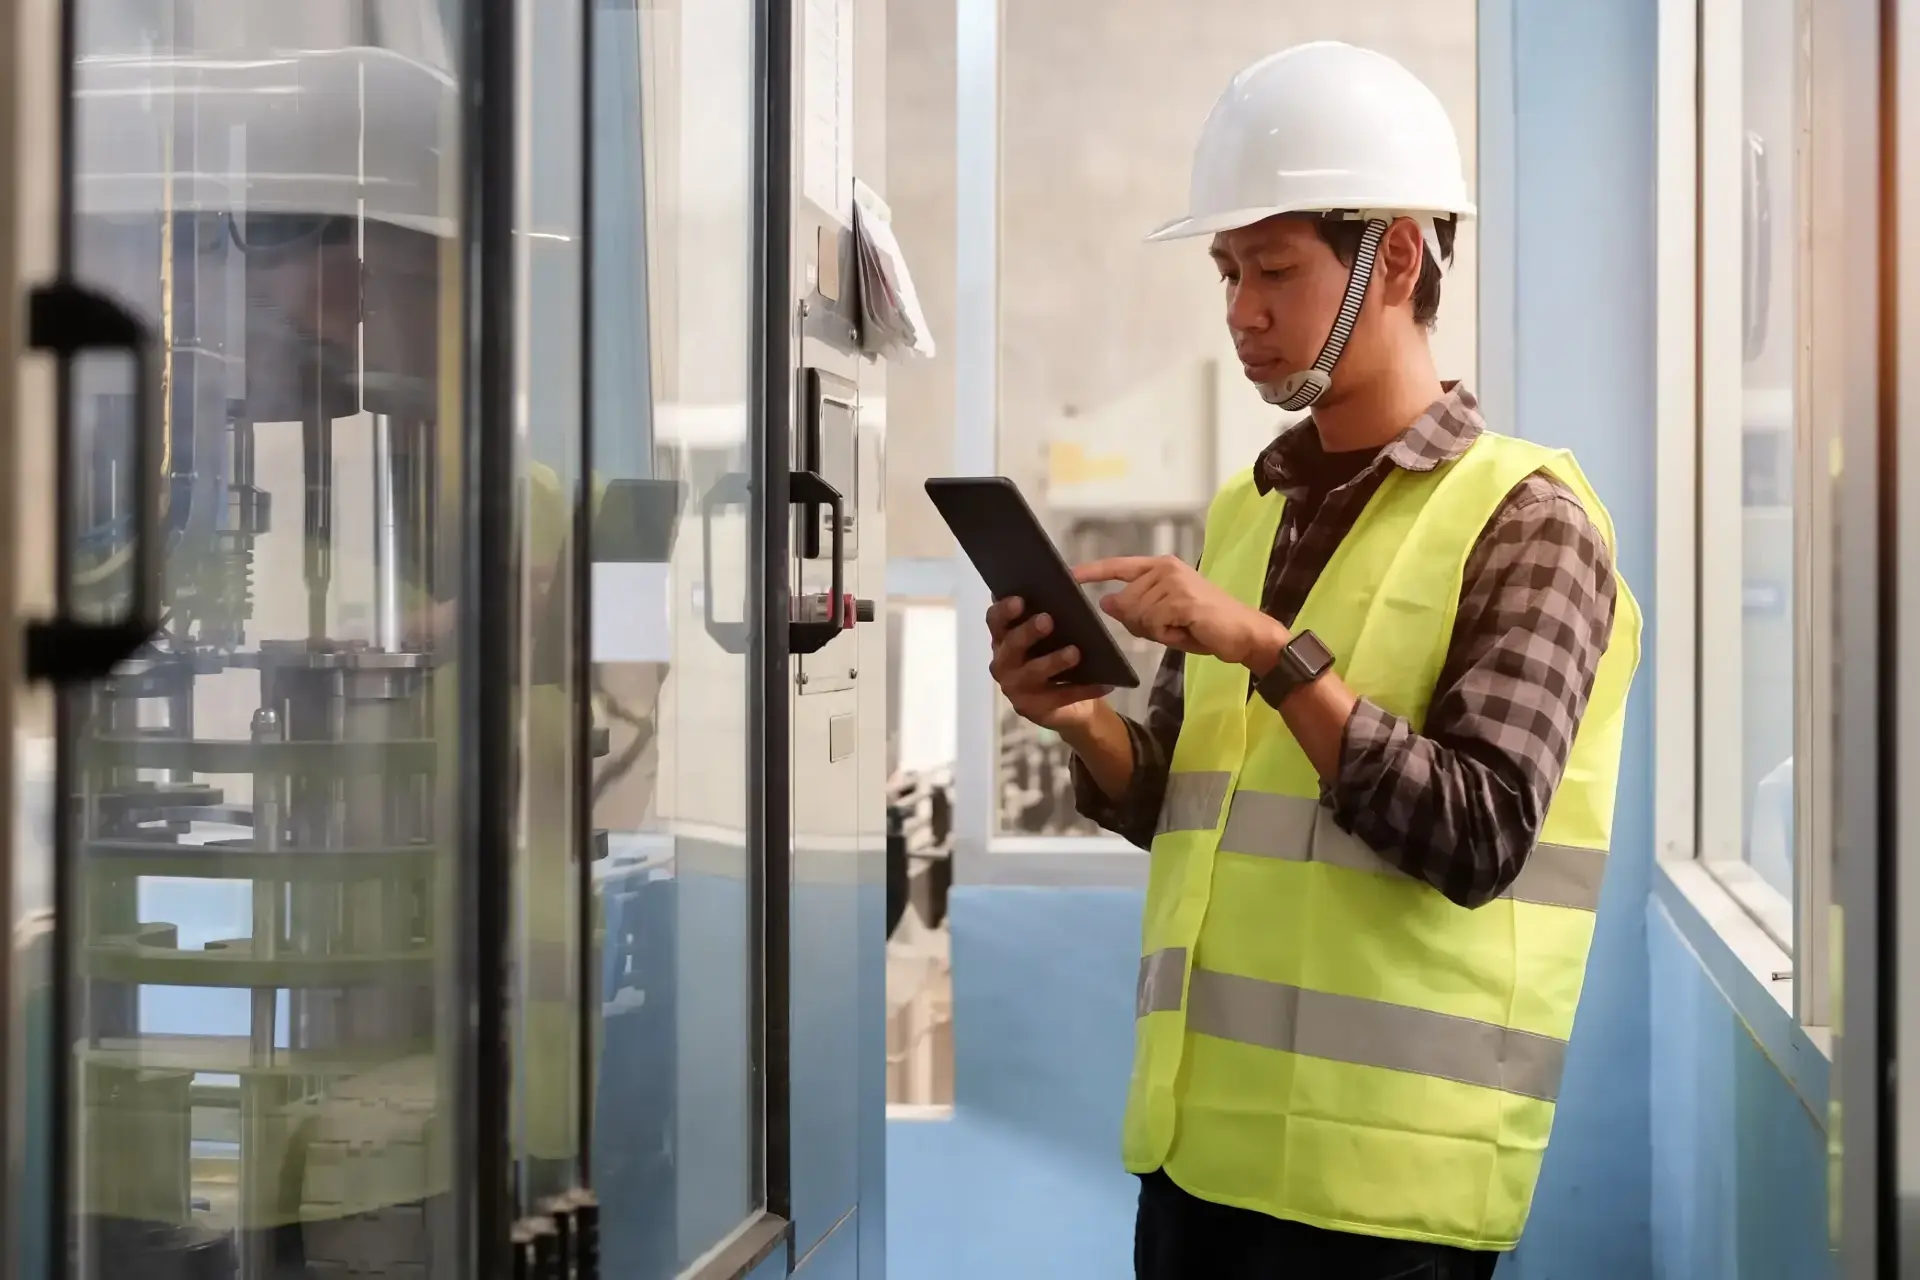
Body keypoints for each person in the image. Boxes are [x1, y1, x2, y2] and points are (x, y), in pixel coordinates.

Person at [985, 41, 1641, 1279]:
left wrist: (1273, 650)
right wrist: (1076, 717)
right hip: (1195, 1166)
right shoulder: (1251, 509)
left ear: (1396, 257)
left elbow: (1482, 828)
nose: (1239, 309)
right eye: (1228, 271)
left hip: (1386, 1202)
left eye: (1274, 269)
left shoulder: (1531, 520)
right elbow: (1177, 796)